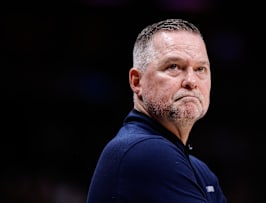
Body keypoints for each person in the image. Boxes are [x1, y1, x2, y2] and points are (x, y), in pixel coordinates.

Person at [86, 18, 227, 203]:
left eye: (200, 69)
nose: (191, 81)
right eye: (174, 67)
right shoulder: (146, 151)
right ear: (137, 81)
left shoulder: (200, 171)